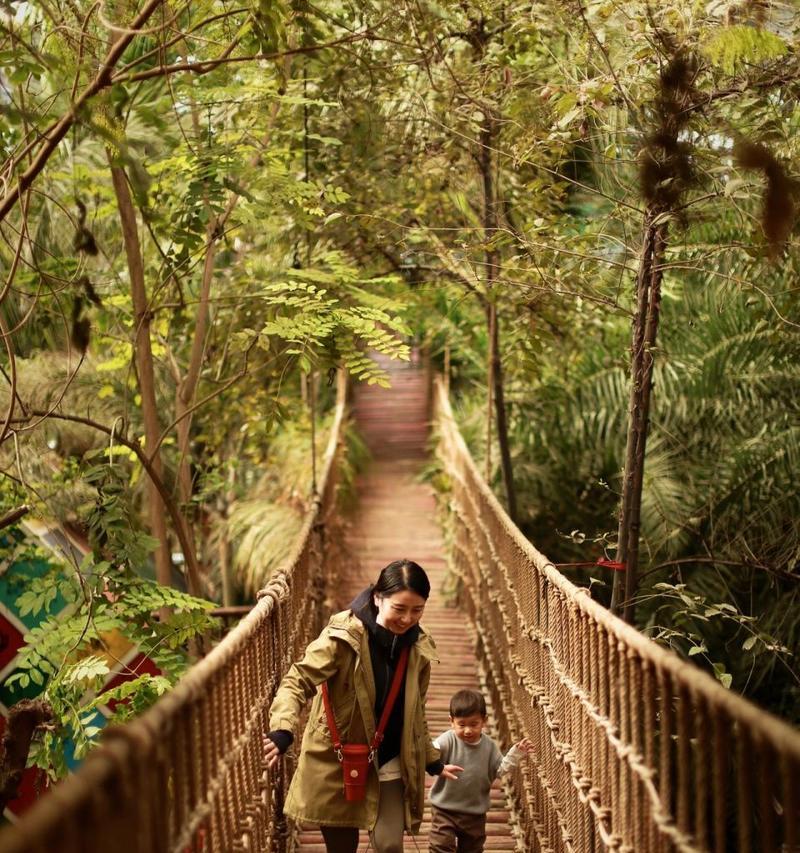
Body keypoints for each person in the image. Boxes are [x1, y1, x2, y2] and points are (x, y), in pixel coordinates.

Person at [263, 559, 461, 853]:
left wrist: (431, 759)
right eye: (399, 608)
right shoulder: (341, 638)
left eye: (417, 610)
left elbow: (415, 710)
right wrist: (283, 730)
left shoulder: (419, 646)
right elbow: (298, 679)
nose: (407, 619)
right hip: (338, 758)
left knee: (389, 844)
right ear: (377, 598)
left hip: (390, 758)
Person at [428, 689, 534, 853]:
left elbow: (500, 769)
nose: (468, 730)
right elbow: (433, 750)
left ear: (484, 721)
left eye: (474, 724)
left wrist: (516, 753)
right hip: (444, 809)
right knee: (440, 846)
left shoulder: (489, 747)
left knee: (473, 848)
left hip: (474, 813)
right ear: (452, 721)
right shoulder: (448, 739)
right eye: (461, 725)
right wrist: (429, 753)